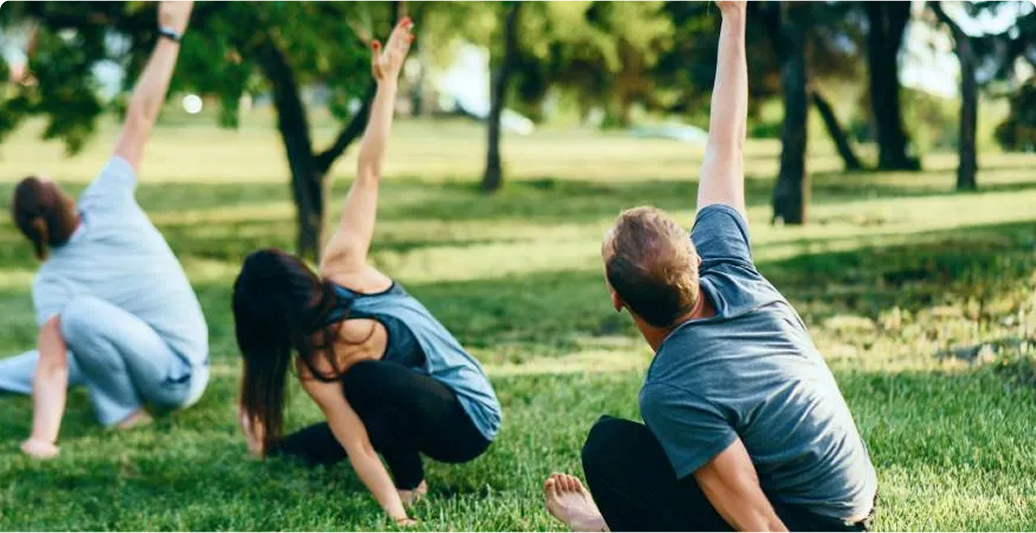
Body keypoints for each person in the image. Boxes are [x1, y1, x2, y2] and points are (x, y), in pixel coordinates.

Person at [542, 2, 878, 531]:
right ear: (693, 255)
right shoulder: (728, 268)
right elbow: (727, 144)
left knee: (610, 449)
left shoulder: (672, 388)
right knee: (682, 443)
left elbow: (761, 524)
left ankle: (604, 528)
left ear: (617, 297)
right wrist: (735, 16)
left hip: (818, 523)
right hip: (854, 499)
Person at [231, 18, 501, 527]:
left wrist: (388, 84)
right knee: (345, 419)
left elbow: (368, 173)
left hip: (470, 419)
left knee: (364, 383)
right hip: (402, 410)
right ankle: (275, 444)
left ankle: (411, 477)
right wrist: (397, 518)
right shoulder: (315, 367)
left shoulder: (344, 268)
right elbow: (356, 444)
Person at [0, 1, 208, 459]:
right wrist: (170, 34)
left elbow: (55, 367)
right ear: (68, 199)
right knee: (66, 340)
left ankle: (122, 413)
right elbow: (142, 114)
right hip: (158, 361)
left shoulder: (52, 280)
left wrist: (42, 439)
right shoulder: (107, 198)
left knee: (76, 322)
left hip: (178, 374)